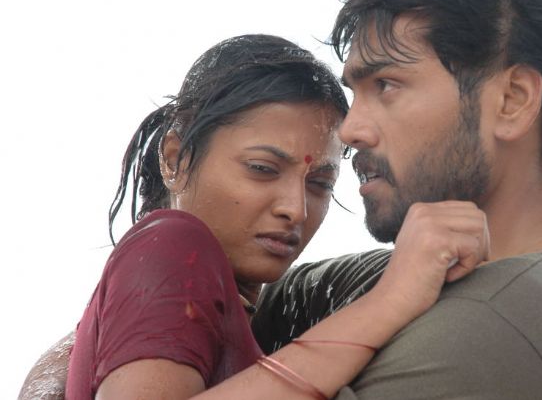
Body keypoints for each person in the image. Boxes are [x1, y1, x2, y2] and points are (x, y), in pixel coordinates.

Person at [21, 0, 542, 399]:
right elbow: (158, 310)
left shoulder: (500, 329)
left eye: (387, 85)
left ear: (511, 101)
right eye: (261, 168)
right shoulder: (401, 277)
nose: (350, 129)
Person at [58, 34, 489, 399]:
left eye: (319, 183)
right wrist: (390, 302)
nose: (295, 209)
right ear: (175, 159)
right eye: (262, 169)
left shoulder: (250, 309)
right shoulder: (172, 242)